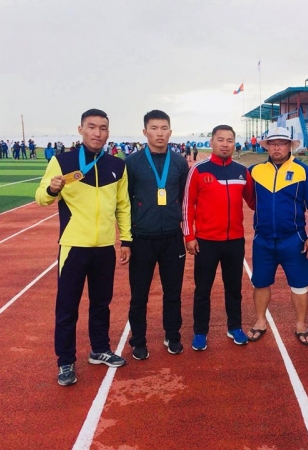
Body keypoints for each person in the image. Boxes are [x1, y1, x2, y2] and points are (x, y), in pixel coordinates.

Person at [35, 108, 132, 386]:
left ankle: (99, 349)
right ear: (80, 130)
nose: (97, 133)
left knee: (101, 303)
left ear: (108, 132)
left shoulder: (117, 166)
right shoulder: (62, 161)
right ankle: (65, 361)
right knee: (67, 307)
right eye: (91, 127)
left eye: (103, 128)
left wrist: (126, 239)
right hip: (73, 246)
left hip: (104, 247)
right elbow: (41, 197)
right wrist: (52, 189)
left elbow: (123, 205)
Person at [247, 127, 308, 345]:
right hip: (263, 239)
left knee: (300, 285)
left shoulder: (303, 171)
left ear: (290, 146)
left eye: (281, 143)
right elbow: (249, 199)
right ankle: (260, 321)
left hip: (294, 239)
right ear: (267, 147)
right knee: (260, 283)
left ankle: (301, 325)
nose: (277, 147)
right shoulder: (254, 171)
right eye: (273, 143)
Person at [183, 124, 255, 351]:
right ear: (212, 142)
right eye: (220, 140)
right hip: (206, 241)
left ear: (235, 143)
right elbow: (188, 204)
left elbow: (254, 201)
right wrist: (189, 235)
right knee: (202, 290)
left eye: (229, 140)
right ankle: (200, 332)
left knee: (234, 288)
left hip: (234, 241)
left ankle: (235, 327)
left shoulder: (242, 172)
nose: (225, 144)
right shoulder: (198, 170)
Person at [126, 110, 189, 360]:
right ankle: (138, 340)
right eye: (154, 128)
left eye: (164, 128)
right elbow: (125, 200)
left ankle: (172, 335)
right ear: (145, 132)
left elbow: (184, 198)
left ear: (170, 132)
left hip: (172, 238)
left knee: (173, 292)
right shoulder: (132, 163)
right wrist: (127, 238)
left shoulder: (180, 162)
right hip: (142, 237)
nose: (159, 133)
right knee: (139, 294)